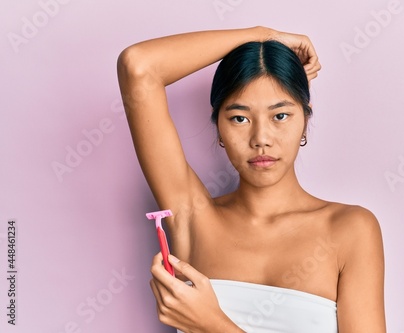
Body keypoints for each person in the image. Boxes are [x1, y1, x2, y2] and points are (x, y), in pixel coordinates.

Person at [117, 26, 386, 332]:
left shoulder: (351, 230)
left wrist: (213, 325)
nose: (261, 139)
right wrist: (262, 35)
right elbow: (137, 66)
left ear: (305, 122)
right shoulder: (192, 218)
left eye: (280, 116)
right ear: (218, 128)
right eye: (240, 118)